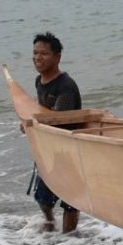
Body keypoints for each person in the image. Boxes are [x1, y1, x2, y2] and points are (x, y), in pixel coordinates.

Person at [29, 32, 82, 233]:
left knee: (71, 201)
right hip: (49, 148)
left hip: (68, 150)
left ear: (57, 57)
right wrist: (30, 122)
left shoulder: (65, 86)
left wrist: (34, 122)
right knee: (43, 197)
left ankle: (69, 239)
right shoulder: (39, 81)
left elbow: (60, 121)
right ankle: (50, 222)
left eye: (44, 53)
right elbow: (42, 110)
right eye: (35, 53)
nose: (37, 57)